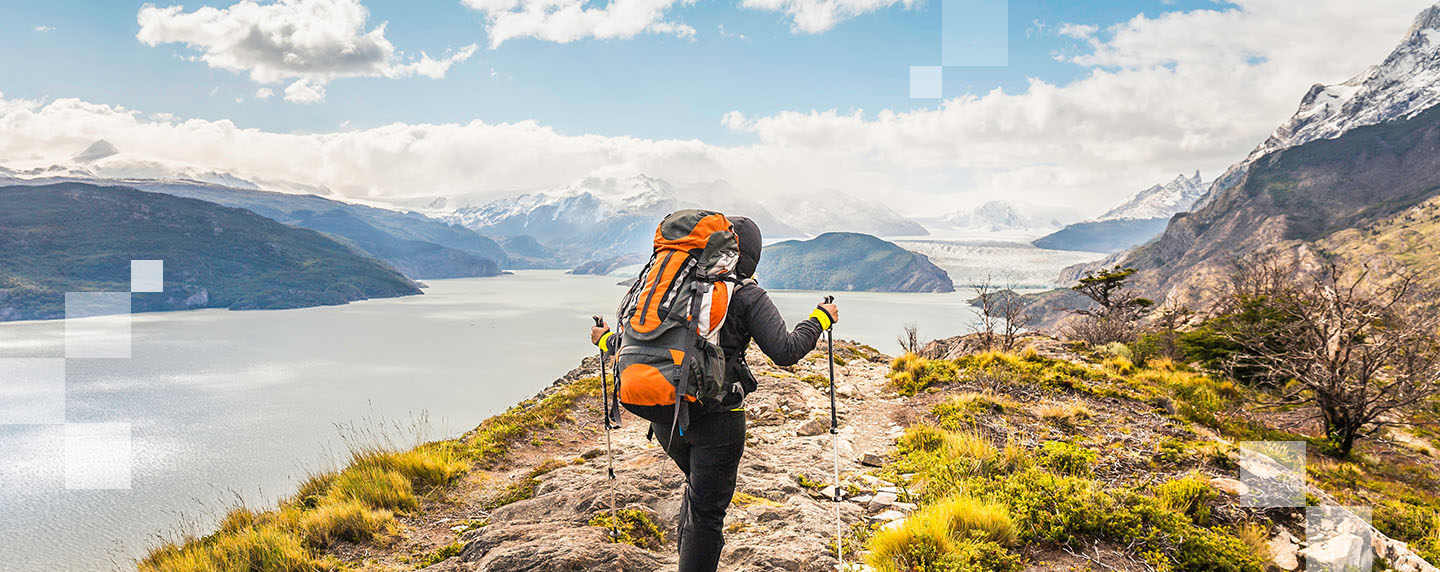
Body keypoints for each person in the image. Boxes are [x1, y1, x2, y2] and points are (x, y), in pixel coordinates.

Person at [589, 216, 839, 572]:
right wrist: (820, 318)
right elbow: (786, 351)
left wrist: (602, 340)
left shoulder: (676, 289)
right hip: (717, 421)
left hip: (668, 415)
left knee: (698, 492)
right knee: (707, 514)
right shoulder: (746, 293)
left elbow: (641, 343)